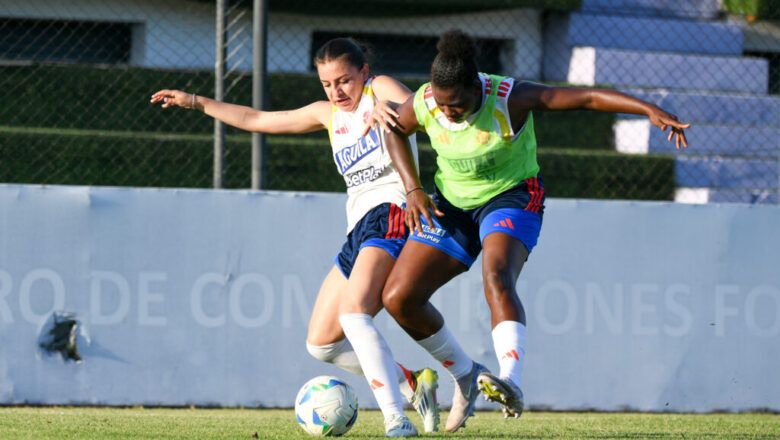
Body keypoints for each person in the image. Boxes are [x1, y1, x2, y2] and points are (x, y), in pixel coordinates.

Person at [374, 29, 690, 432]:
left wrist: (647, 109)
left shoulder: (510, 98)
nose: (446, 112)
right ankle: (466, 375)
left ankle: (511, 380)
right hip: (452, 206)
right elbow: (394, 130)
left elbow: (586, 98)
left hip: (512, 197)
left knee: (496, 275)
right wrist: (413, 188)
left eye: (455, 105)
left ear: (476, 88)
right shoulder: (426, 102)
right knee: (399, 298)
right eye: (440, 103)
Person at [151, 38, 441, 437]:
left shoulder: (380, 87)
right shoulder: (327, 114)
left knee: (354, 314)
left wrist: (391, 107)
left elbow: (419, 107)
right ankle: (413, 383)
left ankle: (396, 418)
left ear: (363, 72)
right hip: (360, 227)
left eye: (344, 80)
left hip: (392, 212)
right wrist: (196, 102)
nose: (337, 91)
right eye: (327, 84)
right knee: (321, 343)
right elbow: (256, 119)